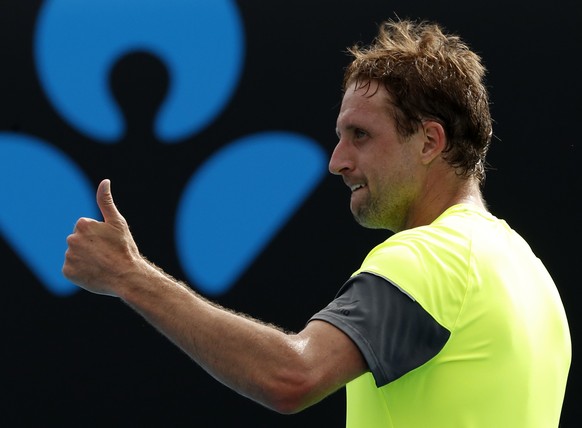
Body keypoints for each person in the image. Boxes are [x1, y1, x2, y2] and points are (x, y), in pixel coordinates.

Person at [62, 18, 571, 427]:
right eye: (340, 135)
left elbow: (293, 376)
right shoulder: (531, 276)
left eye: (361, 136)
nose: (337, 161)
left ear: (430, 142)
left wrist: (130, 277)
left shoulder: (430, 257)